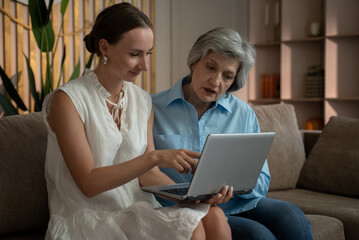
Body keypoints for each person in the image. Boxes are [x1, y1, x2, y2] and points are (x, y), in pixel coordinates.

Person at [42, 3, 232, 239]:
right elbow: (88, 183)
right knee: (192, 229)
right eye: (135, 54)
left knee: (213, 215)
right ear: (105, 48)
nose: (144, 65)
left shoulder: (141, 101)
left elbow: (148, 175)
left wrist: (193, 195)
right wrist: (153, 157)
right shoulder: (68, 100)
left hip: (135, 210)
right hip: (87, 216)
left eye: (148, 54)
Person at [151, 27, 313, 240]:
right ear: (194, 63)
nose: (216, 82)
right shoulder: (153, 108)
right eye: (210, 67)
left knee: (292, 216)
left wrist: (230, 190)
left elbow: (262, 178)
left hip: (236, 202)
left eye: (227, 76)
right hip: (181, 206)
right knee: (259, 235)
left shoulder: (243, 113)